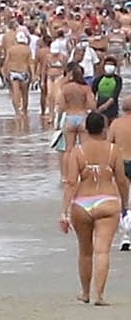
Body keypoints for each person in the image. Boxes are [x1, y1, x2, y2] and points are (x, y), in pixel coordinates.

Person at [59, 112, 127, 306]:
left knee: (85, 251)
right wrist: (125, 205)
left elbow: (71, 183)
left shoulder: (77, 152)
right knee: (102, 251)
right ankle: (100, 295)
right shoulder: (114, 151)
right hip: (107, 201)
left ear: (86, 129)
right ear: (105, 129)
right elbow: (121, 181)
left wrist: (64, 212)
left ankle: (85, 292)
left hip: (82, 203)